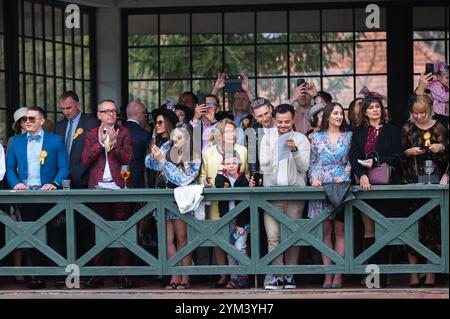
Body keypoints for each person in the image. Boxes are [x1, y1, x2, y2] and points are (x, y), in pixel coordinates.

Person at [6, 106, 69, 289]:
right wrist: (16, 183)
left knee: (54, 234)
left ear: (42, 121)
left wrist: (55, 183)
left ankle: (59, 275)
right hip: (27, 195)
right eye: (26, 119)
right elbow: (10, 168)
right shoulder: (16, 142)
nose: (27, 122)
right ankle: (38, 276)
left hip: (48, 194)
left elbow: (64, 167)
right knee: (32, 236)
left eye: (32, 119)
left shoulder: (55, 141)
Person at [81, 100, 134, 289]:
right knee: (99, 232)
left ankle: (123, 275)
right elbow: (85, 160)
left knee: (121, 231)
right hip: (97, 189)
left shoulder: (125, 132)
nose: (111, 114)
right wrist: (101, 143)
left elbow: (128, 158)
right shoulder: (90, 134)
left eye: (114, 111)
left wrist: (114, 144)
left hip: (120, 188)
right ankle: (98, 275)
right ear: (99, 115)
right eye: (107, 111)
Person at [259, 103, 310, 290]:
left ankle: (289, 275)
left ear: (293, 119)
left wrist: (295, 151)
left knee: (293, 237)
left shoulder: (301, 139)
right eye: (279, 122)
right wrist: (276, 149)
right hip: (271, 195)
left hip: (295, 195)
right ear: (275, 120)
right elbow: (263, 166)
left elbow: (304, 167)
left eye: (287, 122)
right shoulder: (266, 138)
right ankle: (276, 276)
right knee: (273, 237)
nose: (283, 125)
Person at [145, 123, 200, 290]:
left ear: (188, 139)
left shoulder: (194, 156)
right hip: (165, 199)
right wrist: (155, 154)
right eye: (173, 137)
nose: (175, 140)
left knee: (183, 239)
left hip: (182, 201)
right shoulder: (168, 147)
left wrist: (164, 162)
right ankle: (175, 274)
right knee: (167, 240)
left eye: (179, 138)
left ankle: (186, 276)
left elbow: (182, 179)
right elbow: (150, 164)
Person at [401, 95, 448, 287]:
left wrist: (441, 147)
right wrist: (407, 152)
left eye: (423, 113)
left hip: (435, 183)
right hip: (412, 181)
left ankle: (430, 273)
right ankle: (414, 273)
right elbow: (397, 154)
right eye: (416, 113)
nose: (420, 117)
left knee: (433, 229)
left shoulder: (439, 127)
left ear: (429, 111)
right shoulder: (406, 128)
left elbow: (448, 153)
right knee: (413, 228)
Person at [199, 118, 249, 287]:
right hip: (217, 204)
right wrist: (205, 182)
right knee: (220, 240)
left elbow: (246, 175)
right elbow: (202, 175)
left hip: (240, 206)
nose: (232, 134)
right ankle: (224, 274)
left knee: (240, 241)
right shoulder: (208, 152)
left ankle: (242, 275)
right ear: (220, 133)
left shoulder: (242, 151)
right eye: (228, 131)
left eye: (234, 131)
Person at [308, 103, 352, 288]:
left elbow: (351, 161)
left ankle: (338, 273)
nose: (339, 116)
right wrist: (314, 178)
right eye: (335, 113)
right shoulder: (316, 137)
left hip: (342, 185)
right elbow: (313, 163)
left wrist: (346, 175)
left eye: (341, 113)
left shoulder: (350, 136)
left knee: (340, 230)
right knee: (325, 231)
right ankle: (328, 274)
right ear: (327, 116)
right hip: (322, 186)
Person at [55, 91, 98, 262]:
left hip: (84, 181)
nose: (66, 112)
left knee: (85, 227)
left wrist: (85, 176)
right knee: (63, 227)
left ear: (78, 105)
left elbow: (94, 153)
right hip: (62, 183)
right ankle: (67, 266)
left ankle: (86, 268)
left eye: (69, 108)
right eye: (63, 109)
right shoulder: (59, 126)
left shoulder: (90, 123)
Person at [215, 150, 251, 289]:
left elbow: (245, 204)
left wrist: (242, 224)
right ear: (223, 164)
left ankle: (244, 275)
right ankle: (234, 278)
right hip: (227, 219)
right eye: (228, 163)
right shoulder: (222, 179)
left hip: (241, 220)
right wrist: (219, 172)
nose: (231, 166)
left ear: (239, 164)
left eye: (234, 163)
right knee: (229, 249)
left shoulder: (243, 180)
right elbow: (218, 186)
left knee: (239, 247)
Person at [123, 101, 152, 188]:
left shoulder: (116, 131)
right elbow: (149, 162)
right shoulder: (144, 134)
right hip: (138, 181)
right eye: (145, 115)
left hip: (118, 179)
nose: (145, 117)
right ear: (140, 114)